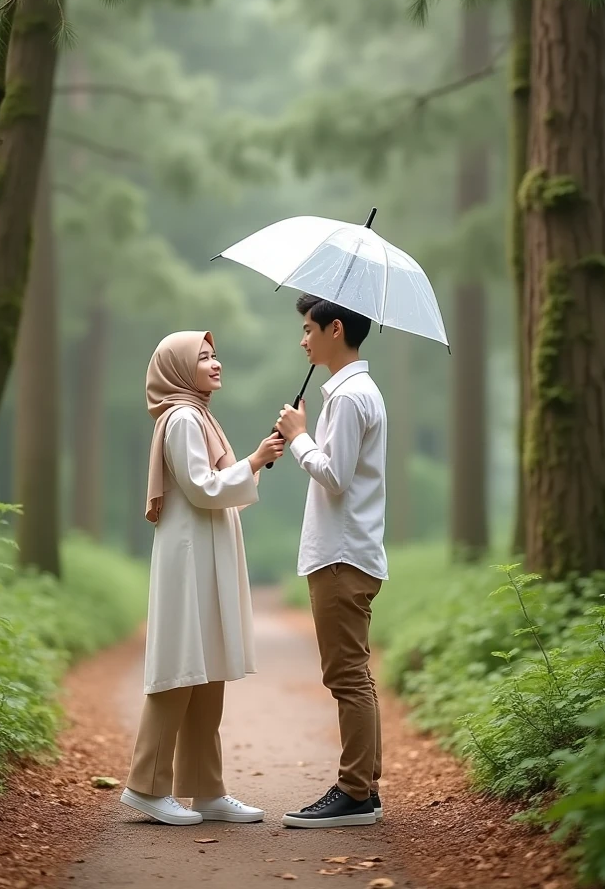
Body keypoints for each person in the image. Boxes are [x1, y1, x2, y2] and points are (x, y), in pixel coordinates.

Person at [120, 330, 284, 826]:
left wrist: (256, 460)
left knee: (206, 667)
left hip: (204, 554)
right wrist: (253, 460)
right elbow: (200, 486)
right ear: (176, 368)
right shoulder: (184, 418)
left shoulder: (200, 415)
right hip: (188, 557)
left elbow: (214, 485)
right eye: (204, 357)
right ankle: (146, 787)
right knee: (179, 667)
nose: (215, 364)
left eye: (216, 355)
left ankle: (206, 789)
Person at [275, 294, 388, 829]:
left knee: (345, 677)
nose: (302, 339)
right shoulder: (356, 392)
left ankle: (354, 792)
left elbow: (335, 476)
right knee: (354, 674)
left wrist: (299, 439)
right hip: (351, 552)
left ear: (334, 329)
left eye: (307, 328)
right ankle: (365, 785)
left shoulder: (347, 397)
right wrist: (304, 435)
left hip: (342, 556)